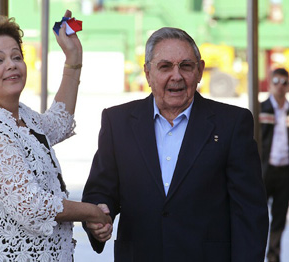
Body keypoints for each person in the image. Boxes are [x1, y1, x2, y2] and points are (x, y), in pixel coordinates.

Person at [82, 27, 269, 261]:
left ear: (200, 71)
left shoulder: (232, 124)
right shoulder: (117, 122)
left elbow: (250, 213)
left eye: (186, 66)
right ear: (148, 73)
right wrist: (97, 217)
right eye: (165, 66)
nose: (177, 76)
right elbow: (100, 191)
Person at [0, 10, 111, 262]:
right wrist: (90, 212)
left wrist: (73, 57)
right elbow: (31, 204)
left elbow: (59, 122)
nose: (12, 64)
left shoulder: (18, 115)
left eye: (16, 56)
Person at [260, 68, 289, 262]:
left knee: (279, 217)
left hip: (285, 171)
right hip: (265, 170)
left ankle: (273, 257)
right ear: (270, 83)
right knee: (258, 214)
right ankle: (254, 252)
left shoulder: (288, 111)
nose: (280, 85)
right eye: (276, 81)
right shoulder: (261, 108)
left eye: (284, 82)